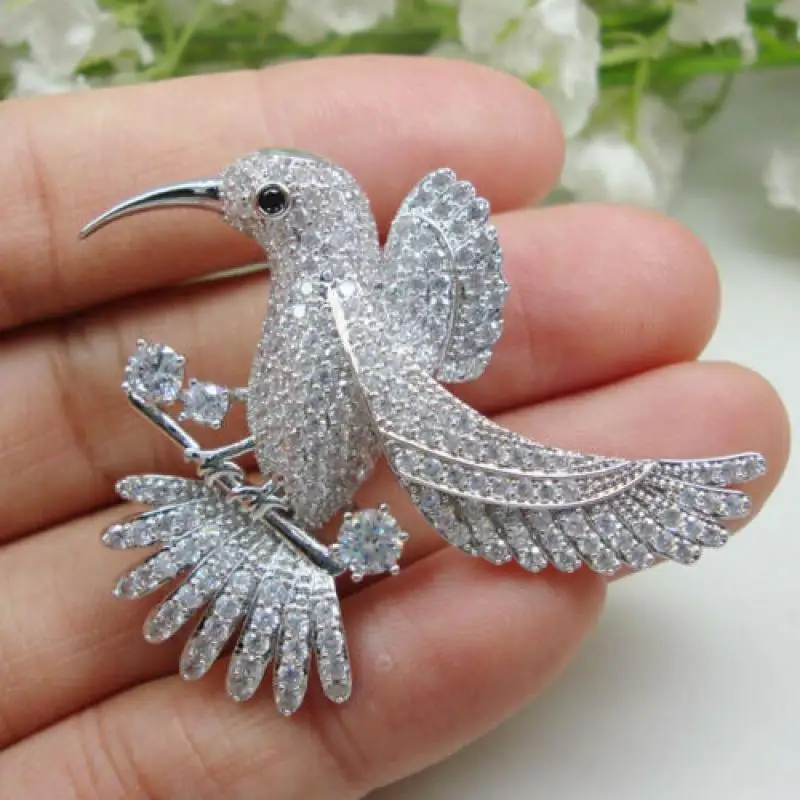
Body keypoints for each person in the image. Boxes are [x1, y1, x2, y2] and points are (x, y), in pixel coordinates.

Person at [0, 55, 788, 798]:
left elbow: (366, 417)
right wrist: (227, 449)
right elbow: (288, 400)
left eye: (266, 202)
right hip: (265, 491)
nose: (233, 209)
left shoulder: (349, 313)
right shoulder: (309, 292)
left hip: (297, 516)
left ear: (303, 218)